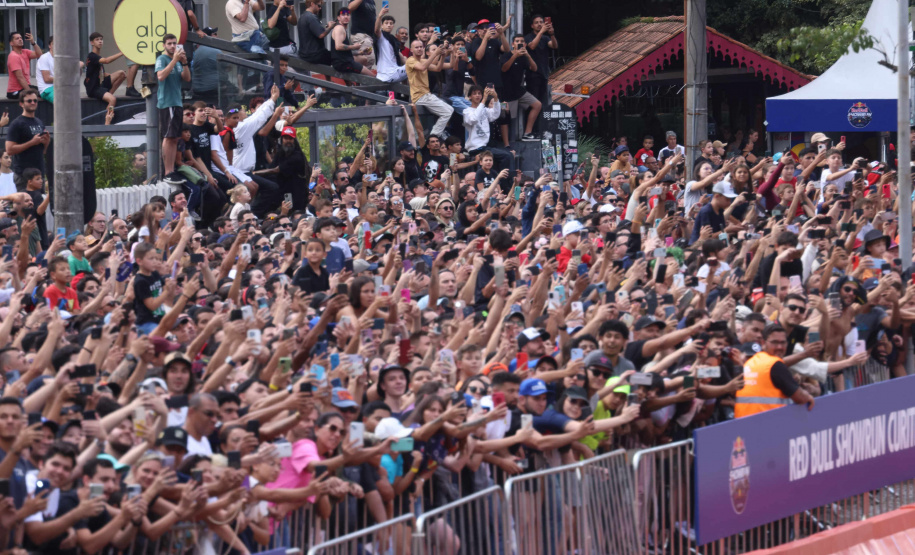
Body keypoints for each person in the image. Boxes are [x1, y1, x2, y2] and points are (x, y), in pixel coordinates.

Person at [735, 324, 815, 417]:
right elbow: (801, 398)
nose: (779, 347)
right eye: (775, 342)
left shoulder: (751, 362)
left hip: (742, 425)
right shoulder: (775, 364)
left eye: (783, 343)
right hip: (767, 424)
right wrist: (808, 397)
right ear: (763, 343)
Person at [155, 34, 191, 181]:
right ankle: (167, 171)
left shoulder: (176, 61)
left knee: (175, 138)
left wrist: (184, 62)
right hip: (167, 102)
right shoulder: (162, 59)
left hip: (177, 102)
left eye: (174, 44)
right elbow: (160, 76)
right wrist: (175, 60)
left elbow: (187, 78)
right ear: (163, 45)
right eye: (169, 43)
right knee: (168, 136)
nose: (172, 46)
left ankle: (171, 169)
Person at [406, 39, 453, 137]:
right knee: (448, 111)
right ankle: (434, 137)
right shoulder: (410, 60)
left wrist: (443, 56)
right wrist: (436, 53)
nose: (419, 49)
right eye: (416, 47)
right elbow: (422, 67)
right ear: (411, 50)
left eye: (421, 47)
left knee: (449, 110)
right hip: (420, 96)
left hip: (426, 95)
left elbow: (437, 68)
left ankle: (434, 136)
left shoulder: (423, 60)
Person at [5, 90, 49, 183]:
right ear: (21, 104)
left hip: (39, 174)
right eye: (29, 101)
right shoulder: (17, 124)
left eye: (35, 100)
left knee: (40, 198)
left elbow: (43, 151)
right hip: (23, 175)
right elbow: (9, 150)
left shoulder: (39, 122)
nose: (33, 103)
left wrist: (46, 143)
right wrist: (32, 142)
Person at [84, 32, 127, 110]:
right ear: (92, 43)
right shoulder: (92, 56)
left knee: (121, 74)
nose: (100, 41)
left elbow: (102, 74)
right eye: (97, 40)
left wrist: (112, 75)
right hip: (94, 88)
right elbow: (107, 61)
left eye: (101, 39)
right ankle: (107, 119)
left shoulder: (98, 57)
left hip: (101, 85)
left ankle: (109, 94)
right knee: (113, 100)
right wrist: (122, 53)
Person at [331, 8, 375, 77]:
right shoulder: (339, 28)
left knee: (364, 59)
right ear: (338, 18)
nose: (346, 16)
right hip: (343, 63)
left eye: (348, 14)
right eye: (343, 15)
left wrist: (362, 52)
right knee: (373, 77)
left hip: (346, 60)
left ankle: (357, 85)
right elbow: (338, 46)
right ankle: (358, 85)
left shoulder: (343, 29)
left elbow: (345, 51)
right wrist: (354, 46)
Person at [524, 15, 557, 104]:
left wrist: (552, 34)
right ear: (532, 26)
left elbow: (554, 46)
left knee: (543, 102)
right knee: (534, 103)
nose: (539, 24)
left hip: (544, 74)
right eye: (536, 23)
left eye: (541, 22)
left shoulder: (545, 38)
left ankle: (541, 118)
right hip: (532, 75)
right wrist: (541, 32)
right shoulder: (528, 37)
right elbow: (532, 46)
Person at [6, 31, 42, 100]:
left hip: (25, 87)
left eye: (21, 38)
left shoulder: (25, 52)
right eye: (17, 38)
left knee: (44, 92)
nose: (20, 39)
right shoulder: (13, 56)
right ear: (11, 43)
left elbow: (39, 54)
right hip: (15, 91)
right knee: (36, 97)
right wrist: (30, 93)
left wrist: (33, 42)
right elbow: (20, 78)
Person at [298, 0, 336, 66]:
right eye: (319, 6)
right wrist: (330, 27)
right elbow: (321, 34)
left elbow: (313, 31)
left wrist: (326, 27)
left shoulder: (302, 16)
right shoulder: (311, 17)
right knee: (338, 58)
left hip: (304, 54)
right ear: (312, 4)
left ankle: (328, 76)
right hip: (314, 55)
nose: (320, 8)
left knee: (328, 55)